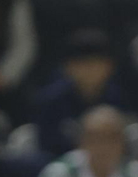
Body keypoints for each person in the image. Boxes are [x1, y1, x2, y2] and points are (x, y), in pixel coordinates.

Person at [33, 30, 130, 159]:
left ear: (110, 66)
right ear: (67, 67)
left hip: (110, 166)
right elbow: (46, 147)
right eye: (82, 63)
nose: (90, 70)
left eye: (95, 63)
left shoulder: (120, 99)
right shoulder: (50, 101)